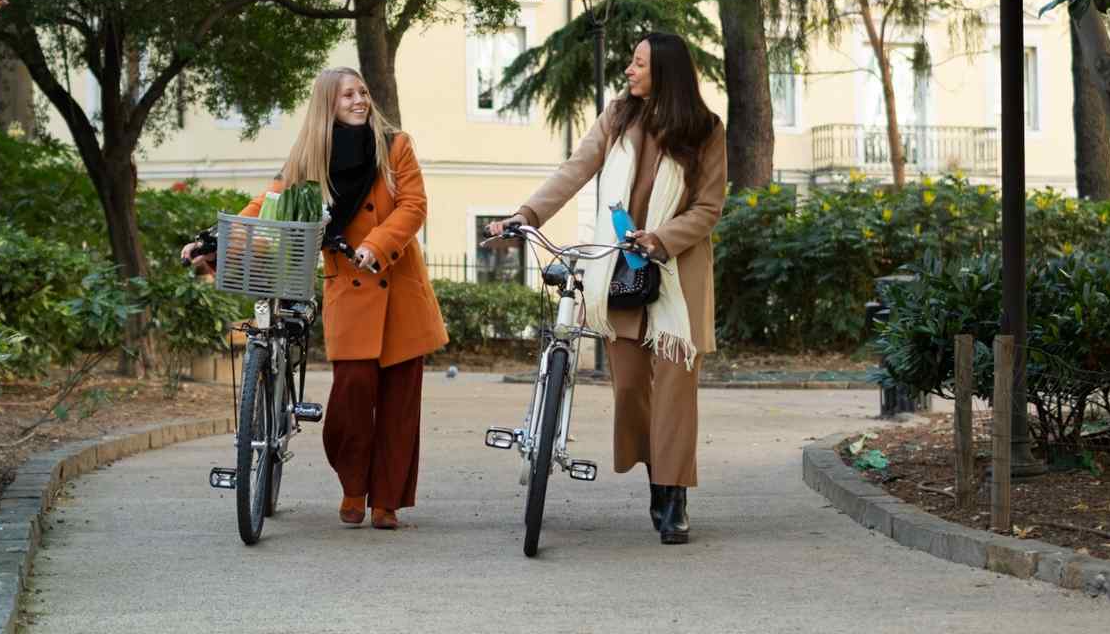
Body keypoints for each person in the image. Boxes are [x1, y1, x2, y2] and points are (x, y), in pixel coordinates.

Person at [488, 32, 725, 545]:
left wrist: (661, 238)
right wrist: (526, 214)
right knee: (630, 388)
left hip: (676, 277)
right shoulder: (617, 117)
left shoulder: (705, 130)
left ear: (664, 71)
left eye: (638, 62)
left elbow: (708, 208)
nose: (628, 70)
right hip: (619, 274)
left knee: (676, 390)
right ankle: (654, 475)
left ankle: (672, 494)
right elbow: (576, 170)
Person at [190, 67, 448, 530]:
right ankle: (353, 486)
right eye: (348, 94)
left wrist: (377, 243)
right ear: (328, 103)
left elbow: (414, 205)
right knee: (351, 396)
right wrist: (215, 240)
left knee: (399, 403)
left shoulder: (395, 145)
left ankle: (386, 500)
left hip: (399, 286)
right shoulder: (311, 156)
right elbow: (269, 203)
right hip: (348, 288)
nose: (359, 100)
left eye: (363, 92)